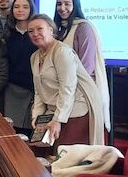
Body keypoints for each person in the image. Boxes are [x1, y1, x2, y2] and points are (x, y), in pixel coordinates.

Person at [27, 14, 104, 149]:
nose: (35, 34)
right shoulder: (34, 57)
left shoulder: (61, 51)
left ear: (51, 30)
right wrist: (37, 115)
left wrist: (58, 120)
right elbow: (39, 90)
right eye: (31, 31)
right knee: (43, 151)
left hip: (76, 108)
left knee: (66, 154)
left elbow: (67, 88)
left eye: (39, 29)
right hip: (56, 109)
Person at [54, 0, 111, 133]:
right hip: (64, 91)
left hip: (81, 92)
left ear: (75, 5)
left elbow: (87, 67)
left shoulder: (84, 27)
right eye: (59, 4)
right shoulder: (60, 29)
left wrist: (68, 85)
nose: (62, 8)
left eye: (67, 4)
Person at [2, 0, 37, 133]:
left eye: (25, 7)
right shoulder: (7, 35)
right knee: (12, 131)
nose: (20, 10)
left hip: (34, 89)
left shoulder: (37, 34)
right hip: (12, 89)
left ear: (31, 10)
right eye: (16, 7)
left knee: (30, 130)